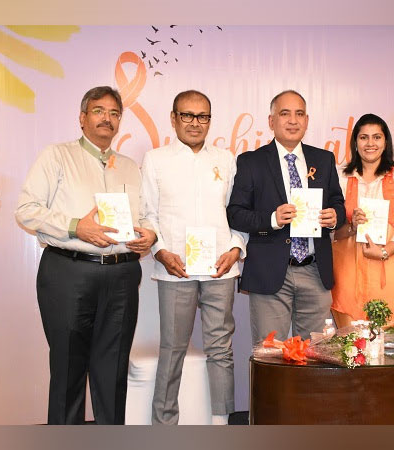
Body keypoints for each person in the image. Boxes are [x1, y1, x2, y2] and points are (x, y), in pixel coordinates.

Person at [15, 86, 157, 424]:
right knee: (68, 369)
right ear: (82, 118)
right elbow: (26, 210)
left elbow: (147, 215)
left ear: (119, 121)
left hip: (122, 276)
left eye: (114, 113)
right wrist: (76, 226)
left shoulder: (129, 167)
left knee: (113, 372)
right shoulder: (57, 156)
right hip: (69, 272)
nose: (106, 118)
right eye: (98, 111)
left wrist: (149, 234)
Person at [140, 90, 245, 425]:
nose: (195, 123)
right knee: (172, 350)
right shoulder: (155, 159)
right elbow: (148, 214)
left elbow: (237, 213)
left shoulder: (226, 159)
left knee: (221, 351)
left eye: (202, 116)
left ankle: (220, 424)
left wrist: (235, 248)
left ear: (210, 120)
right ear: (173, 118)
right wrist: (160, 251)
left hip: (220, 269)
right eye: (187, 115)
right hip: (176, 270)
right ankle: (165, 426)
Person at [227, 90, 345, 344]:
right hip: (270, 272)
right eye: (285, 114)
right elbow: (235, 214)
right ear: (271, 121)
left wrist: (335, 216)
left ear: (307, 120)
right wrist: (272, 219)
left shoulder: (324, 160)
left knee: (317, 354)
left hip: (315, 271)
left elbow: (338, 202)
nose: (293, 120)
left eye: (299, 114)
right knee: (270, 355)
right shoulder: (251, 162)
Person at [331, 114, 394, 340]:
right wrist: (351, 225)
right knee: (354, 337)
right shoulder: (340, 175)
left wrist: (386, 250)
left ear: (386, 142)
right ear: (355, 142)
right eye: (364, 137)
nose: (370, 143)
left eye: (377, 137)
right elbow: (332, 228)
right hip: (348, 268)